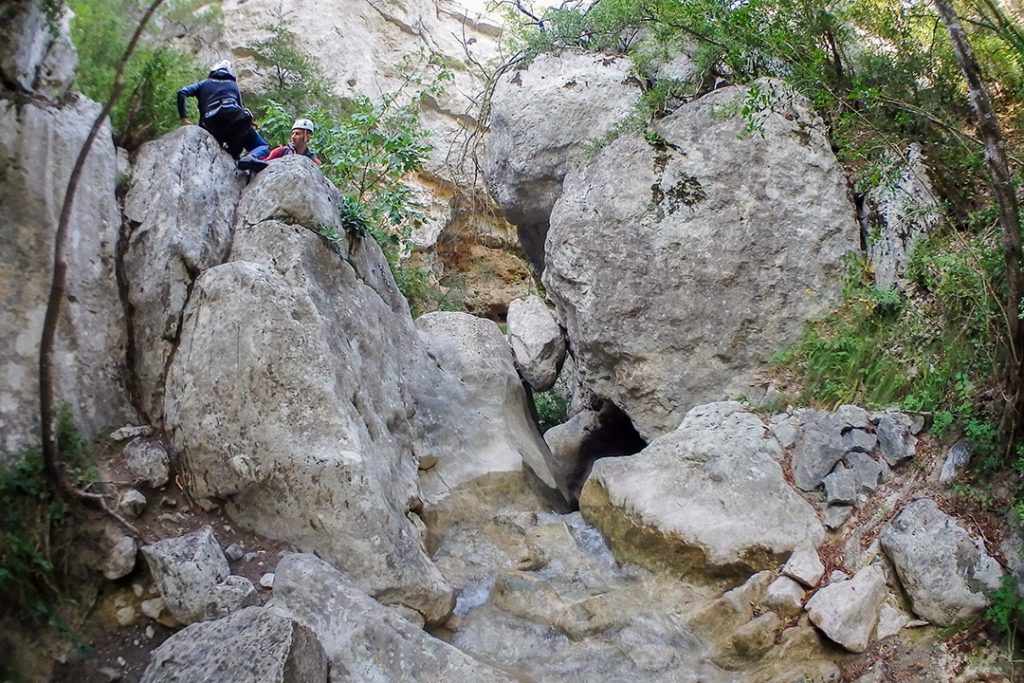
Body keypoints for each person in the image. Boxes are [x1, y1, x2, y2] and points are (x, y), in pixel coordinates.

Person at [177, 60, 269, 168]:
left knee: (218, 143)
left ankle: (231, 156)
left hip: (211, 125)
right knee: (262, 146)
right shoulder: (233, 85)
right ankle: (250, 157)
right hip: (234, 122)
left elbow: (182, 92)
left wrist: (184, 118)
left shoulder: (204, 84)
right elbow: (240, 109)